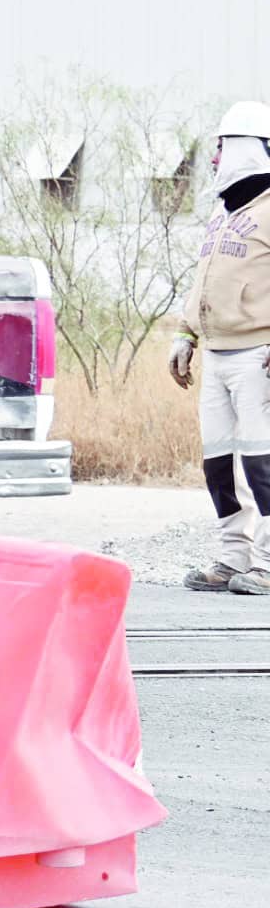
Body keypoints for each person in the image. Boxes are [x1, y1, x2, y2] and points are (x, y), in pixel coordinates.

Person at [170, 100, 270, 596]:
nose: (214, 158)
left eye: (222, 146)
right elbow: (203, 279)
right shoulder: (223, 212)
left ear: (248, 149)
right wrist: (185, 333)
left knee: (262, 459)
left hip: (259, 354)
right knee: (220, 462)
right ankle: (234, 558)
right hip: (216, 352)